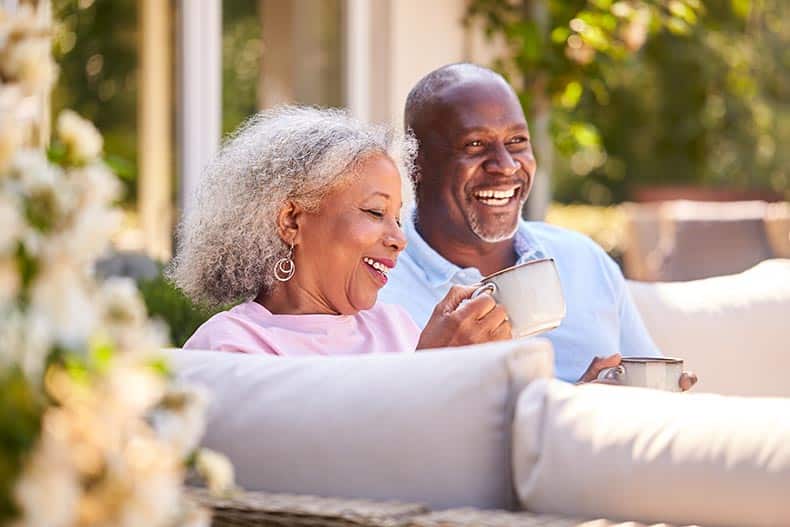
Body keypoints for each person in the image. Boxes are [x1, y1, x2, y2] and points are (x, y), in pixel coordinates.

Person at [379, 63, 696, 388]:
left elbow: (652, 386)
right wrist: (430, 369)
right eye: (475, 145)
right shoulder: (376, 285)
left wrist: (664, 399)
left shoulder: (582, 260)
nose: (506, 165)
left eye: (517, 141)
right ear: (416, 163)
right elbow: (370, 431)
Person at [169, 106, 511, 356]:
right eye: (375, 211)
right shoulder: (231, 344)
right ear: (291, 220)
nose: (399, 239)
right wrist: (431, 367)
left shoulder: (394, 327)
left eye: (397, 217)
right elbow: (318, 452)